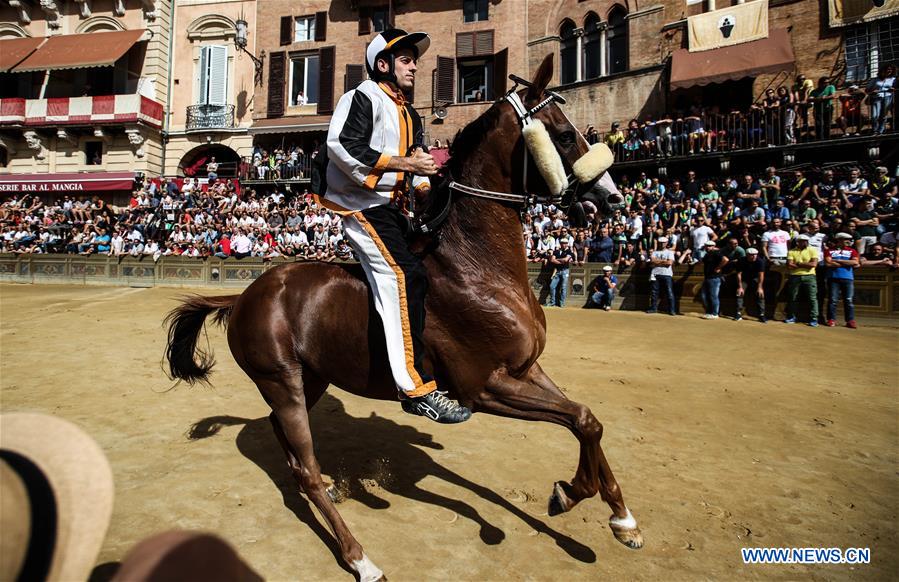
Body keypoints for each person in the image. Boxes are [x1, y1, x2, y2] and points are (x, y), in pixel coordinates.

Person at [322, 29, 469, 423]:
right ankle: (415, 388)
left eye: (413, 60)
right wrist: (408, 167)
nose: (415, 66)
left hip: (393, 208)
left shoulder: (410, 112)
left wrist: (422, 185)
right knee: (402, 276)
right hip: (360, 207)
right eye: (406, 59)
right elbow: (342, 146)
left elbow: (417, 160)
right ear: (383, 64)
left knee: (434, 269)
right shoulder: (361, 97)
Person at [824, 232, 859, 328]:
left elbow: (855, 262)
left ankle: (850, 320)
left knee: (848, 300)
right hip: (833, 277)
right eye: (845, 239)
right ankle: (831, 319)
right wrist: (847, 263)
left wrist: (838, 261)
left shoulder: (852, 251)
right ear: (839, 240)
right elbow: (828, 263)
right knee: (833, 300)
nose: (848, 241)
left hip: (848, 278)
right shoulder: (829, 250)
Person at [785, 233, 819, 326]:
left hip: (810, 276)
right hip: (795, 276)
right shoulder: (791, 251)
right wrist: (805, 264)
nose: (804, 243)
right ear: (798, 242)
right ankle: (792, 317)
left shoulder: (813, 250)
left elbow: (813, 265)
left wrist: (798, 264)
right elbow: (789, 265)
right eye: (802, 241)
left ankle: (814, 318)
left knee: (812, 298)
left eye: (806, 241)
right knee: (793, 297)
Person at [646, 236, 676, 315]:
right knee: (654, 292)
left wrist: (657, 262)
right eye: (661, 243)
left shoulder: (669, 252)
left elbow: (669, 263)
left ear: (666, 243)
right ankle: (653, 308)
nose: (662, 244)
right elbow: (652, 261)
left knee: (669, 292)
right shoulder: (655, 252)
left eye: (663, 243)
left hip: (666, 274)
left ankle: (671, 310)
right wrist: (664, 261)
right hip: (656, 273)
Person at [736, 247, 767, 322]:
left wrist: (760, 287)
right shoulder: (741, 260)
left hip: (756, 279)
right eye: (751, 255)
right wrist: (740, 287)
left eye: (755, 254)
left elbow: (761, 275)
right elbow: (739, 274)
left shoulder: (760, 261)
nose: (754, 256)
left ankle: (761, 314)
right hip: (744, 279)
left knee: (760, 294)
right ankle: (738, 313)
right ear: (747, 255)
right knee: (739, 293)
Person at [701, 240, 728, 319]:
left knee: (713, 296)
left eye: (709, 246)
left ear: (713, 246)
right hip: (707, 277)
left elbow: (725, 260)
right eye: (707, 246)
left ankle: (715, 313)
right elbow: (702, 262)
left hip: (714, 278)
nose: (708, 247)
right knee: (704, 296)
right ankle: (709, 312)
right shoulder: (707, 255)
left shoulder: (716, 253)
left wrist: (718, 268)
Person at [867, 64, 895, 135]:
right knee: (874, 116)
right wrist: (872, 91)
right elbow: (867, 90)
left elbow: (895, 88)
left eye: (890, 70)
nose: (889, 71)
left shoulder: (893, 79)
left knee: (883, 116)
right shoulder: (875, 80)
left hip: (887, 97)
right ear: (882, 70)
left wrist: (892, 89)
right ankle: (875, 130)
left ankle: (880, 131)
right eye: (887, 69)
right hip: (876, 98)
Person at [546, 239, 576, 307]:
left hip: (565, 271)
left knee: (563, 287)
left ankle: (562, 302)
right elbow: (552, 260)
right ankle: (552, 302)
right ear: (560, 244)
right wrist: (561, 261)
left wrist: (557, 260)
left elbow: (565, 260)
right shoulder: (556, 251)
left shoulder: (569, 251)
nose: (564, 244)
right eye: (562, 243)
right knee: (552, 286)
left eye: (565, 243)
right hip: (557, 271)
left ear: (567, 244)